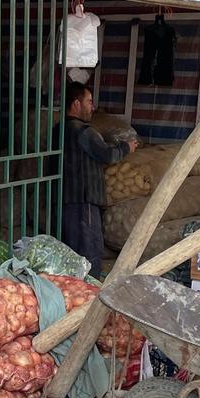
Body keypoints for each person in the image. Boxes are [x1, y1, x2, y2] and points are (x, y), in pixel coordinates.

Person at [61, 81, 136, 274]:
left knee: (72, 247)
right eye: (89, 102)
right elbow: (107, 155)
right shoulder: (83, 131)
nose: (92, 107)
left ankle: (75, 286)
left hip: (67, 197)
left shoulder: (60, 128)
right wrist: (126, 147)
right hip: (84, 198)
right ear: (76, 104)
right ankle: (89, 292)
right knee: (90, 248)